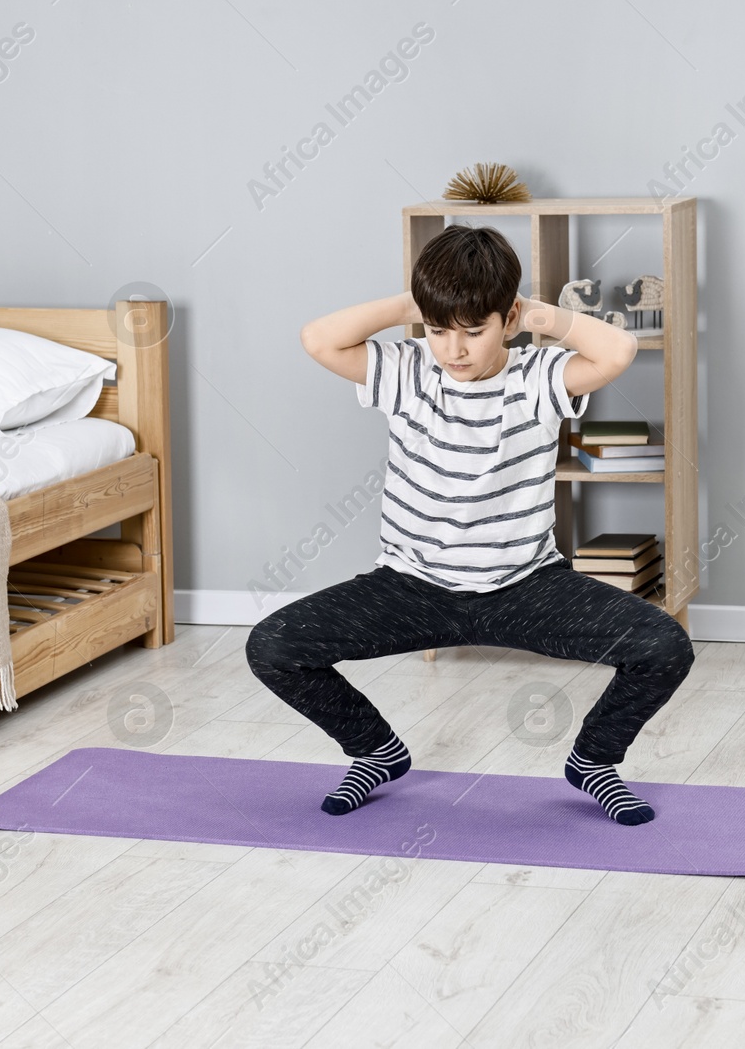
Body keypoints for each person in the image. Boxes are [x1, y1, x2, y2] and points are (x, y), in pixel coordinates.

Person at [245, 224, 694, 823]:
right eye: (437, 332)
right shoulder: (406, 370)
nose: (454, 350)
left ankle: (593, 762)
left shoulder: (538, 378)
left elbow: (618, 351)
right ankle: (374, 751)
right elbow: (318, 338)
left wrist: (535, 314)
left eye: (474, 331)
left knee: (665, 647)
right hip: (410, 587)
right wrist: (420, 303)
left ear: (506, 320)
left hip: (525, 588)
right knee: (272, 647)